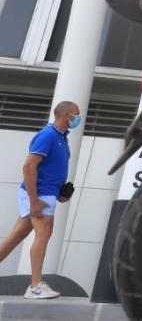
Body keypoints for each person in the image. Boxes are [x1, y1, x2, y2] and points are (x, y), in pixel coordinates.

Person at [0, 101, 80, 300]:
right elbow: (29, 167)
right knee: (43, 233)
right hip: (39, 193)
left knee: (16, 236)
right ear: (67, 114)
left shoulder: (62, 138)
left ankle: (36, 285)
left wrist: (61, 192)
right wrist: (34, 200)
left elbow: (52, 167)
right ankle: (35, 286)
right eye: (76, 114)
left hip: (48, 192)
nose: (79, 117)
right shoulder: (48, 135)